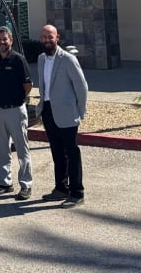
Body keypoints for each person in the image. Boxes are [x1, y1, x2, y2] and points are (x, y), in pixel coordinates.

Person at [36, 25, 89, 209]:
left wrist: (80, 112)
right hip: (49, 111)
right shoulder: (41, 59)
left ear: (57, 37)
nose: (46, 40)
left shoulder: (68, 59)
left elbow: (82, 87)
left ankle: (77, 192)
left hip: (67, 113)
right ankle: (61, 188)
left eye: (50, 36)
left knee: (71, 152)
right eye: (43, 37)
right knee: (57, 152)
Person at [0, 26, 33, 201]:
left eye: (4, 39)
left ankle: (26, 185)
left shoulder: (19, 60)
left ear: (11, 40)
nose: (1, 42)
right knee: (2, 149)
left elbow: (28, 86)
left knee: (22, 149)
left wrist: (17, 99)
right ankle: (5, 183)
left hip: (15, 110)